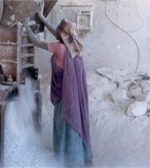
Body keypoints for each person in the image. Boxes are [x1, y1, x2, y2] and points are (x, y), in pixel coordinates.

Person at [23, 4, 93, 168]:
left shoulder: (58, 47)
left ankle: (63, 160)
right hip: (75, 95)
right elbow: (58, 31)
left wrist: (26, 24)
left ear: (62, 34)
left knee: (63, 122)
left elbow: (35, 41)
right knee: (74, 123)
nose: (57, 33)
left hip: (64, 94)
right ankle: (78, 158)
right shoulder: (75, 45)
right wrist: (42, 18)